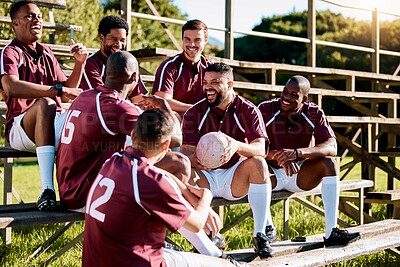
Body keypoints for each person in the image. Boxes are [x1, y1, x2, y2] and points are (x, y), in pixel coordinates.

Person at [57, 51, 237, 264]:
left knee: (169, 167)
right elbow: (174, 138)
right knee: (177, 163)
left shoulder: (86, 96)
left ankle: (201, 244)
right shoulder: (116, 107)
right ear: (135, 78)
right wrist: (164, 107)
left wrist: (186, 192)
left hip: (81, 182)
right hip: (91, 189)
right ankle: (204, 244)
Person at [82, 108, 237, 267]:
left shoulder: (114, 160)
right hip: (133, 260)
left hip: (99, 259)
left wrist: (185, 190)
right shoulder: (150, 182)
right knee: (225, 265)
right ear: (166, 145)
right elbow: (197, 224)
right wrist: (206, 197)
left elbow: (156, 172)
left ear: (133, 135)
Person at [181, 62, 276, 259]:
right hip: (204, 176)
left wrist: (236, 145)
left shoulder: (248, 110)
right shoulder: (194, 112)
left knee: (258, 163)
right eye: (206, 82)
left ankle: (260, 234)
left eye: (215, 82)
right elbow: (186, 152)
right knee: (180, 168)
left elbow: (261, 149)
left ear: (230, 85)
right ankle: (210, 235)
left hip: (234, 177)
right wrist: (196, 159)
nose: (208, 87)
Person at [0, 0, 87, 211]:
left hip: (53, 121)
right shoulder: (9, 52)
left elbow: (67, 91)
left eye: (38, 16)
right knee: (46, 104)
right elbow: (11, 87)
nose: (36, 19)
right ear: (15, 24)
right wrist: (56, 91)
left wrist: (80, 63)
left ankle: (92, 193)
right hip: (21, 128)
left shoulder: (47, 52)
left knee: (90, 116)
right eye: (29, 16)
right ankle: (47, 189)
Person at [258, 75, 361, 247]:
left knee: (330, 163)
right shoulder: (265, 108)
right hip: (270, 174)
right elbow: (248, 144)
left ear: (304, 99)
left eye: (293, 94)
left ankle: (331, 232)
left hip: (298, 173)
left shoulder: (314, 112)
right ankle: (268, 229)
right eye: (285, 91)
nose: (286, 97)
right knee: (255, 164)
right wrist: (279, 156)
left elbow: (332, 146)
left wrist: (297, 153)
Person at [152, 19, 212, 116]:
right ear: (182, 39)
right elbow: (161, 102)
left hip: (202, 119)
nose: (192, 44)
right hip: (176, 120)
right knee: (173, 115)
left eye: (197, 40)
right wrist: (196, 109)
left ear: (205, 40)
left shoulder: (210, 68)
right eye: (187, 39)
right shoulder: (170, 66)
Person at [80, 15, 147, 104]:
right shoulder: (90, 63)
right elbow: (100, 99)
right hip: (95, 113)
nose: (118, 44)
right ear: (101, 37)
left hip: (119, 110)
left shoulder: (129, 63)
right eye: (113, 39)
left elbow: (138, 100)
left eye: (122, 40)